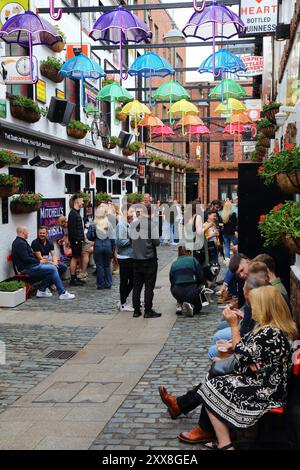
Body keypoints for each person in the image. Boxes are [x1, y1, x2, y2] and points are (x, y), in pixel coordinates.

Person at [160, 285, 297, 448]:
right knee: (214, 379)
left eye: (254, 306)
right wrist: (241, 351)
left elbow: (244, 354)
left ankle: (223, 443)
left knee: (211, 386)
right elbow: (247, 350)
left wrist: (233, 326)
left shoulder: (272, 333)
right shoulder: (269, 329)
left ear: (265, 308)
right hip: (260, 381)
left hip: (266, 390)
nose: (251, 311)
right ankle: (201, 424)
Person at [12, 226, 75, 300]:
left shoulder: (21, 242)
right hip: (27, 269)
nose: (28, 233)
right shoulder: (20, 243)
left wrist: (50, 262)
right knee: (52, 268)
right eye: (27, 232)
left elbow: (29, 257)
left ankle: (41, 290)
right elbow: (26, 259)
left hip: (31, 266)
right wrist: (40, 261)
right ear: (23, 232)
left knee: (54, 268)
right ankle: (62, 293)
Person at [130, 204, 161, 318]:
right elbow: (156, 242)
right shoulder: (151, 225)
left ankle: (136, 310)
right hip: (149, 259)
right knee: (149, 286)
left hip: (136, 259)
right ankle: (148, 310)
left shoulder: (133, 225)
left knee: (137, 286)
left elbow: (130, 240)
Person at [169, 246, 205, 316]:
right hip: (192, 291)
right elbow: (200, 275)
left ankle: (180, 303)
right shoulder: (193, 260)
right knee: (198, 307)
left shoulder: (174, 264)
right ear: (189, 252)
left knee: (175, 286)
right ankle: (191, 305)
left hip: (177, 292)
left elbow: (172, 280)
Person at [87, 205, 115, 289]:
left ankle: (100, 284)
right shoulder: (108, 224)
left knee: (99, 266)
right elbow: (112, 237)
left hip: (98, 245)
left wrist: (94, 238)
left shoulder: (93, 224)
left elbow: (89, 236)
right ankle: (108, 283)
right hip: (107, 245)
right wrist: (113, 248)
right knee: (107, 265)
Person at [116, 204, 134, 312]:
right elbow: (119, 241)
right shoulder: (121, 225)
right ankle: (122, 303)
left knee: (133, 280)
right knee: (124, 280)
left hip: (130, 256)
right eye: (130, 211)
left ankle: (123, 299)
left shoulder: (128, 223)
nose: (132, 214)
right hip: (124, 257)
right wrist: (132, 240)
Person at [68, 194, 85, 286]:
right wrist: (77, 240)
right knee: (74, 258)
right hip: (75, 241)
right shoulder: (73, 214)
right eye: (82, 201)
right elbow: (72, 230)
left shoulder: (76, 213)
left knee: (77, 258)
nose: (83, 203)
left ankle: (75, 277)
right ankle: (73, 279)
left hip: (78, 241)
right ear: (77, 201)